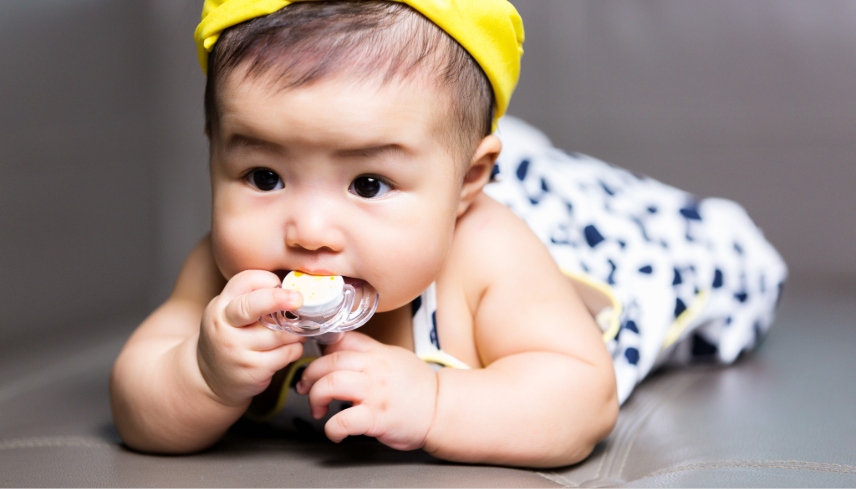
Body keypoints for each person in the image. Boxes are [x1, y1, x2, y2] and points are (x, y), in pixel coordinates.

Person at [110, 0, 786, 468]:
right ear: (213, 150)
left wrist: (434, 401)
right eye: (263, 175)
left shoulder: (487, 254)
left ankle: (516, 165)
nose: (309, 231)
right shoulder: (224, 272)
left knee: (708, 259)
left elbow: (583, 395)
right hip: (444, 172)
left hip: (584, 233)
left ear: (469, 182)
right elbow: (137, 399)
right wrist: (200, 372)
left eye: (367, 183)